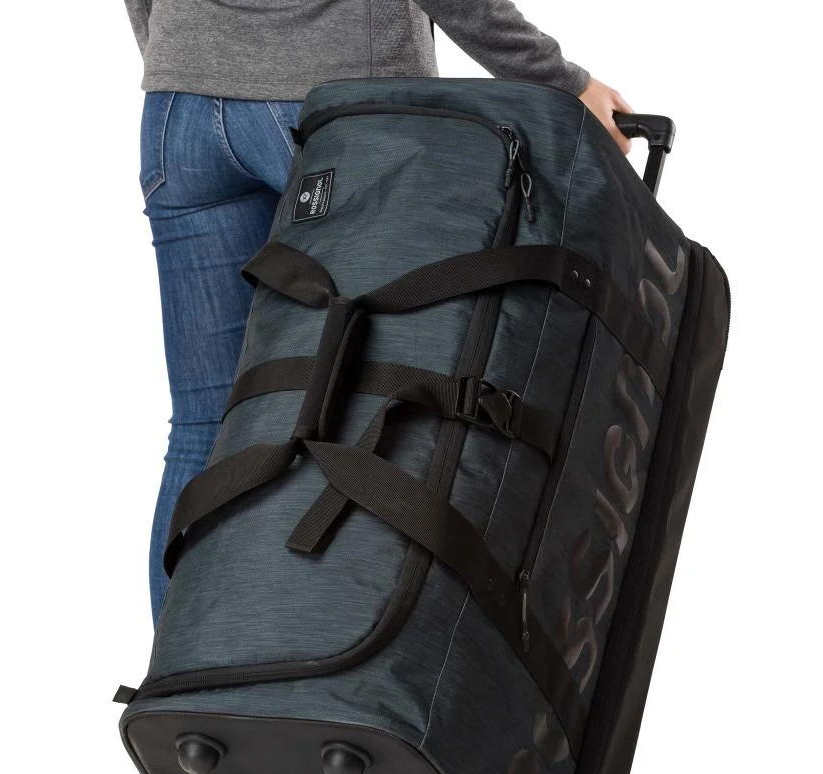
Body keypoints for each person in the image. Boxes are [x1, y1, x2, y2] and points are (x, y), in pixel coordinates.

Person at [124, 0, 634, 625]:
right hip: (339, 105)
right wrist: (559, 81)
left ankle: (185, 675)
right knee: (391, 402)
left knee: (205, 424)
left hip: (181, 116)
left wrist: (184, 55)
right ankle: (357, 664)